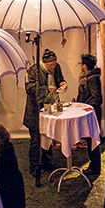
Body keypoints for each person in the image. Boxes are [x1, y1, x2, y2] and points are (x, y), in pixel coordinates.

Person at [24, 48, 66, 176]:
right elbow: (29, 89)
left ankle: (48, 163)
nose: (53, 67)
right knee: (36, 139)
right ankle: (34, 166)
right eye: (51, 65)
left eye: (54, 64)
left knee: (49, 135)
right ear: (44, 63)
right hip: (35, 110)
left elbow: (59, 79)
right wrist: (46, 89)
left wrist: (62, 83)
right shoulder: (34, 71)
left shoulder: (56, 67)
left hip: (50, 107)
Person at [77, 53, 103, 175]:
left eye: (81, 64)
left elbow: (97, 98)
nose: (80, 66)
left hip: (92, 114)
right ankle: (93, 165)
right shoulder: (87, 77)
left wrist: (85, 106)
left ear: (85, 65)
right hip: (88, 112)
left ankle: (95, 167)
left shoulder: (92, 79)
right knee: (90, 141)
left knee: (92, 141)